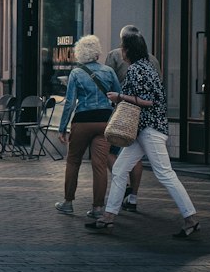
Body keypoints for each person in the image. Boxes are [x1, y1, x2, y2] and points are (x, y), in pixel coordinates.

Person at [85, 32, 199, 237]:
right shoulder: (147, 67)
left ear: (128, 50)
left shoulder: (137, 69)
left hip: (149, 130)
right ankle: (108, 217)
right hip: (143, 130)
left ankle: (190, 218)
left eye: (123, 47)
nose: (121, 51)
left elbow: (148, 101)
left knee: (165, 174)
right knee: (120, 169)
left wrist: (119, 96)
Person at [54, 35, 121, 219]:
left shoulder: (76, 73)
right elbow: (119, 97)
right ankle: (98, 207)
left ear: (80, 53)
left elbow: (69, 102)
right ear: (97, 52)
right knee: (99, 165)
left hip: (82, 121)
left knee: (73, 161)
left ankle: (68, 202)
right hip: (103, 121)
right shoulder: (108, 71)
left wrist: (62, 127)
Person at [104, 24, 162, 211]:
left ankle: (122, 194)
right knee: (134, 158)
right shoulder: (152, 59)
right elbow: (158, 87)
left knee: (110, 152)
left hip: (125, 113)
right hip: (146, 119)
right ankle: (132, 197)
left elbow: (108, 82)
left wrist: (117, 98)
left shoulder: (116, 56)